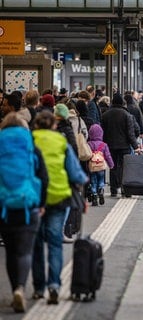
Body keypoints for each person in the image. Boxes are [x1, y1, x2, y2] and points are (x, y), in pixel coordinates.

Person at [31, 111, 88, 305]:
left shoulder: (30, 140)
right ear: (54, 125)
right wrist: (82, 181)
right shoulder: (61, 142)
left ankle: (38, 288)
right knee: (55, 242)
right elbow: (75, 173)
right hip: (58, 197)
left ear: (36, 125)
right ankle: (54, 285)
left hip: (35, 198)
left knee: (37, 244)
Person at [0, 112, 48, 313]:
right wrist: (42, 203)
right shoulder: (31, 148)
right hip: (28, 205)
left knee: (11, 250)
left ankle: (14, 290)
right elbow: (43, 178)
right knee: (25, 250)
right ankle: (21, 287)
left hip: (3, 206)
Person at [101, 93, 140, 197]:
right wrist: (136, 147)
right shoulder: (127, 115)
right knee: (124, 167)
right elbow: (130, 133)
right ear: (122, 103)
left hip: (110, 146)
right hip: (124, 146)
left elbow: (102, 132)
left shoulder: (105, 115)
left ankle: (113, 189)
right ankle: (124, 189)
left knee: (112, 167)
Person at [87, 124, 114, 206]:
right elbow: (108, 156)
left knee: (93, 181)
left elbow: (87, 155)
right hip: (101, 167)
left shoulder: (89, 144)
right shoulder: (104, 145)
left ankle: (94, 195)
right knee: (101, 180)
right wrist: (111, 164)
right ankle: (101, 189)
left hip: (92, 166)